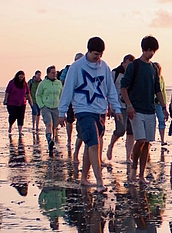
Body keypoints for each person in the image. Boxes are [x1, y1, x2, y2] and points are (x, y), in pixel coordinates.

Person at [58, 36, 123, 192]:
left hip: (100, 111)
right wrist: (62, 112)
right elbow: (67, 90)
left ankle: (84, 178)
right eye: (95, 54)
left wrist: (117, 108)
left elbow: (110, 90)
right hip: (83, 110)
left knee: (90, 144)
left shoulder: (104, 67)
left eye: (100, 54)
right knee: (94, 143)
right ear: (88, 51)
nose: (98, 57)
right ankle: (100, 181)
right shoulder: (76, 67)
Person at [119, 35, 168, 184]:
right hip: (136, 110)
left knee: (147, 142)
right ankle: (133, 171)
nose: (151, 53)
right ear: (143, 49)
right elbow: (123, 87)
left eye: (153, 50)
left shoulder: (153, 68)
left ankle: (141, 175)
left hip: (150, 110)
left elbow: (157, 90)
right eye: (148, 50)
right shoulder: (134, 66)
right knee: (139, 140)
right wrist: (129, 105)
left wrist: (164, 107)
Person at [106, 54, 135, 163]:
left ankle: (128, 156)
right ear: (123, 63)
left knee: (131, 132)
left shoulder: (134, 75)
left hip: (131, 106)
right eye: (128, 64)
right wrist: (109, 105)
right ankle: (111, 146)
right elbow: (109, 89)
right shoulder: (115, 73)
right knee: (120, 129)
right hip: (118, 106)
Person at [35, 65, 63, 156]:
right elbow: (38, 95)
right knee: (49, 124)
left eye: (55, 73)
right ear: (48, 73)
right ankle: (49, 140)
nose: (54, 74)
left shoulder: (58, 83)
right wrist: (41, 106)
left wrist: (62, 106)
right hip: (46, 107)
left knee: (54, 126)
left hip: (56, 107)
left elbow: (61, 95)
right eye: (52, 73)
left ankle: (52, 142)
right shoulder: (43, 83)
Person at [4, 71, 33, 136]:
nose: (21, 77)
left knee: (21, 116)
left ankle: (20, 131)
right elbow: (7, 92)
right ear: (17, 76)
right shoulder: (12, 82)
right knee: (13, 115)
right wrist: (5, 100)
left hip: (22, 103)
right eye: (20, 76)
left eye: (22, 76)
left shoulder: (25, 84)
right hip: (11, 103)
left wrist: (31, 102)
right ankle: (10, 126)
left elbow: (28, 93)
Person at [153, 62, 167, 146]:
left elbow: (163, 92)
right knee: (151, 121)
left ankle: (162, 140)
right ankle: (149, 140)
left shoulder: (161, 78)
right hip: (150, 103)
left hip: (159, 103)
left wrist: (164, 105)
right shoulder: (150, 78)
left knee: (162, 120)